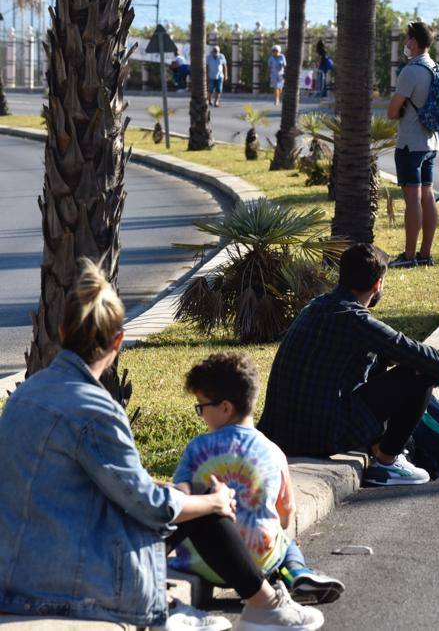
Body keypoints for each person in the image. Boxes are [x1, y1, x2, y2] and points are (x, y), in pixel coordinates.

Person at [0, 258, 323, 631]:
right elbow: (148, 507)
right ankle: (263, 605)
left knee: (191, 492)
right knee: (202, 500)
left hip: (18, 569)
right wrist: (211, 502)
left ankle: (182, 603)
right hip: (73, 583)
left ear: (60, 331)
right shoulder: (97, 412)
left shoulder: (25, 395)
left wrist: (190, 494)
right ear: (117, 340)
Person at [257, 243, 439, 487]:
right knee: (420, 373)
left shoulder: (316, 307)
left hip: (281, 432)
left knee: (391, 361)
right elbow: (432, 362)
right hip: (323, 436)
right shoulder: (355, 319)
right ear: (378, 284)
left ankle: (381, 446)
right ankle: (387, 460)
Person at [172, 352, 345, 605]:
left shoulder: (198, 449)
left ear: (225, 407)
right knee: (285, 543)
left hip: (200, 563)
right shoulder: (273, 452)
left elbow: (179, 498)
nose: (201, 414)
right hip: (259, 563)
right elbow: (286, 515)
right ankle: (297, 571)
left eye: (201, 407)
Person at [387, 21, 439, 268]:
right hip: (431, 142)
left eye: (408, 39)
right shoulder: (435, 68)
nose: (405, 44)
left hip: (411, 142)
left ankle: (409, 256)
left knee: (412, 198)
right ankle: (425, 253)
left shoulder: (410, 71)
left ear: (415, 41)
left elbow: (391, 111)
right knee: (427, 195)